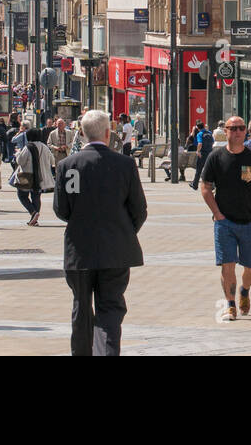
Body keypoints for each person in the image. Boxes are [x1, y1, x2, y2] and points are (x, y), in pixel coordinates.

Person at [53, 109, 148, 356]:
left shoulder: (67, 165)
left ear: (81, 134)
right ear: (108, 133)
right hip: (116, 250)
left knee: (81, 307)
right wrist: (124, 230)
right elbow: (139, 209)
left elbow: (61, 210)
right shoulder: (125, 165)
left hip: (79, 249)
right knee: (110, 309)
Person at [199, 115, 251, 321]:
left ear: (245, 132)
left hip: (250, 222)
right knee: (227, 265)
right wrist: (217, 214)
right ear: (226, 131)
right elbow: (205, 187)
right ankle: (230, 305)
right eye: (233, 128)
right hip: (225, 222)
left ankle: (245, 290)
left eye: (241, 128)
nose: (238, 131)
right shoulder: (216, 157)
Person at [15, 123, 55, 226]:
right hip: (40, 176)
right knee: (36, 195)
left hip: (27, 175)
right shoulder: (44, 147)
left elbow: (20, 161)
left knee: (22, 195)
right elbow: (52, 161)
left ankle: (33, 212)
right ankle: (35, 218)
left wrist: (18, 153)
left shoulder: (27, 147)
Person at [188, 120, 213, 189]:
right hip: (209, 153)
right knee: (209, 169)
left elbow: (200, 143)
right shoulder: (210, 133)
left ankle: (195, 184)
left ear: (197, 128)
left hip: (202, 154)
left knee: (199, 170)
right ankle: (212, 185)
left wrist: (198, 151)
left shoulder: (200, 134)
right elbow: (212, 142)